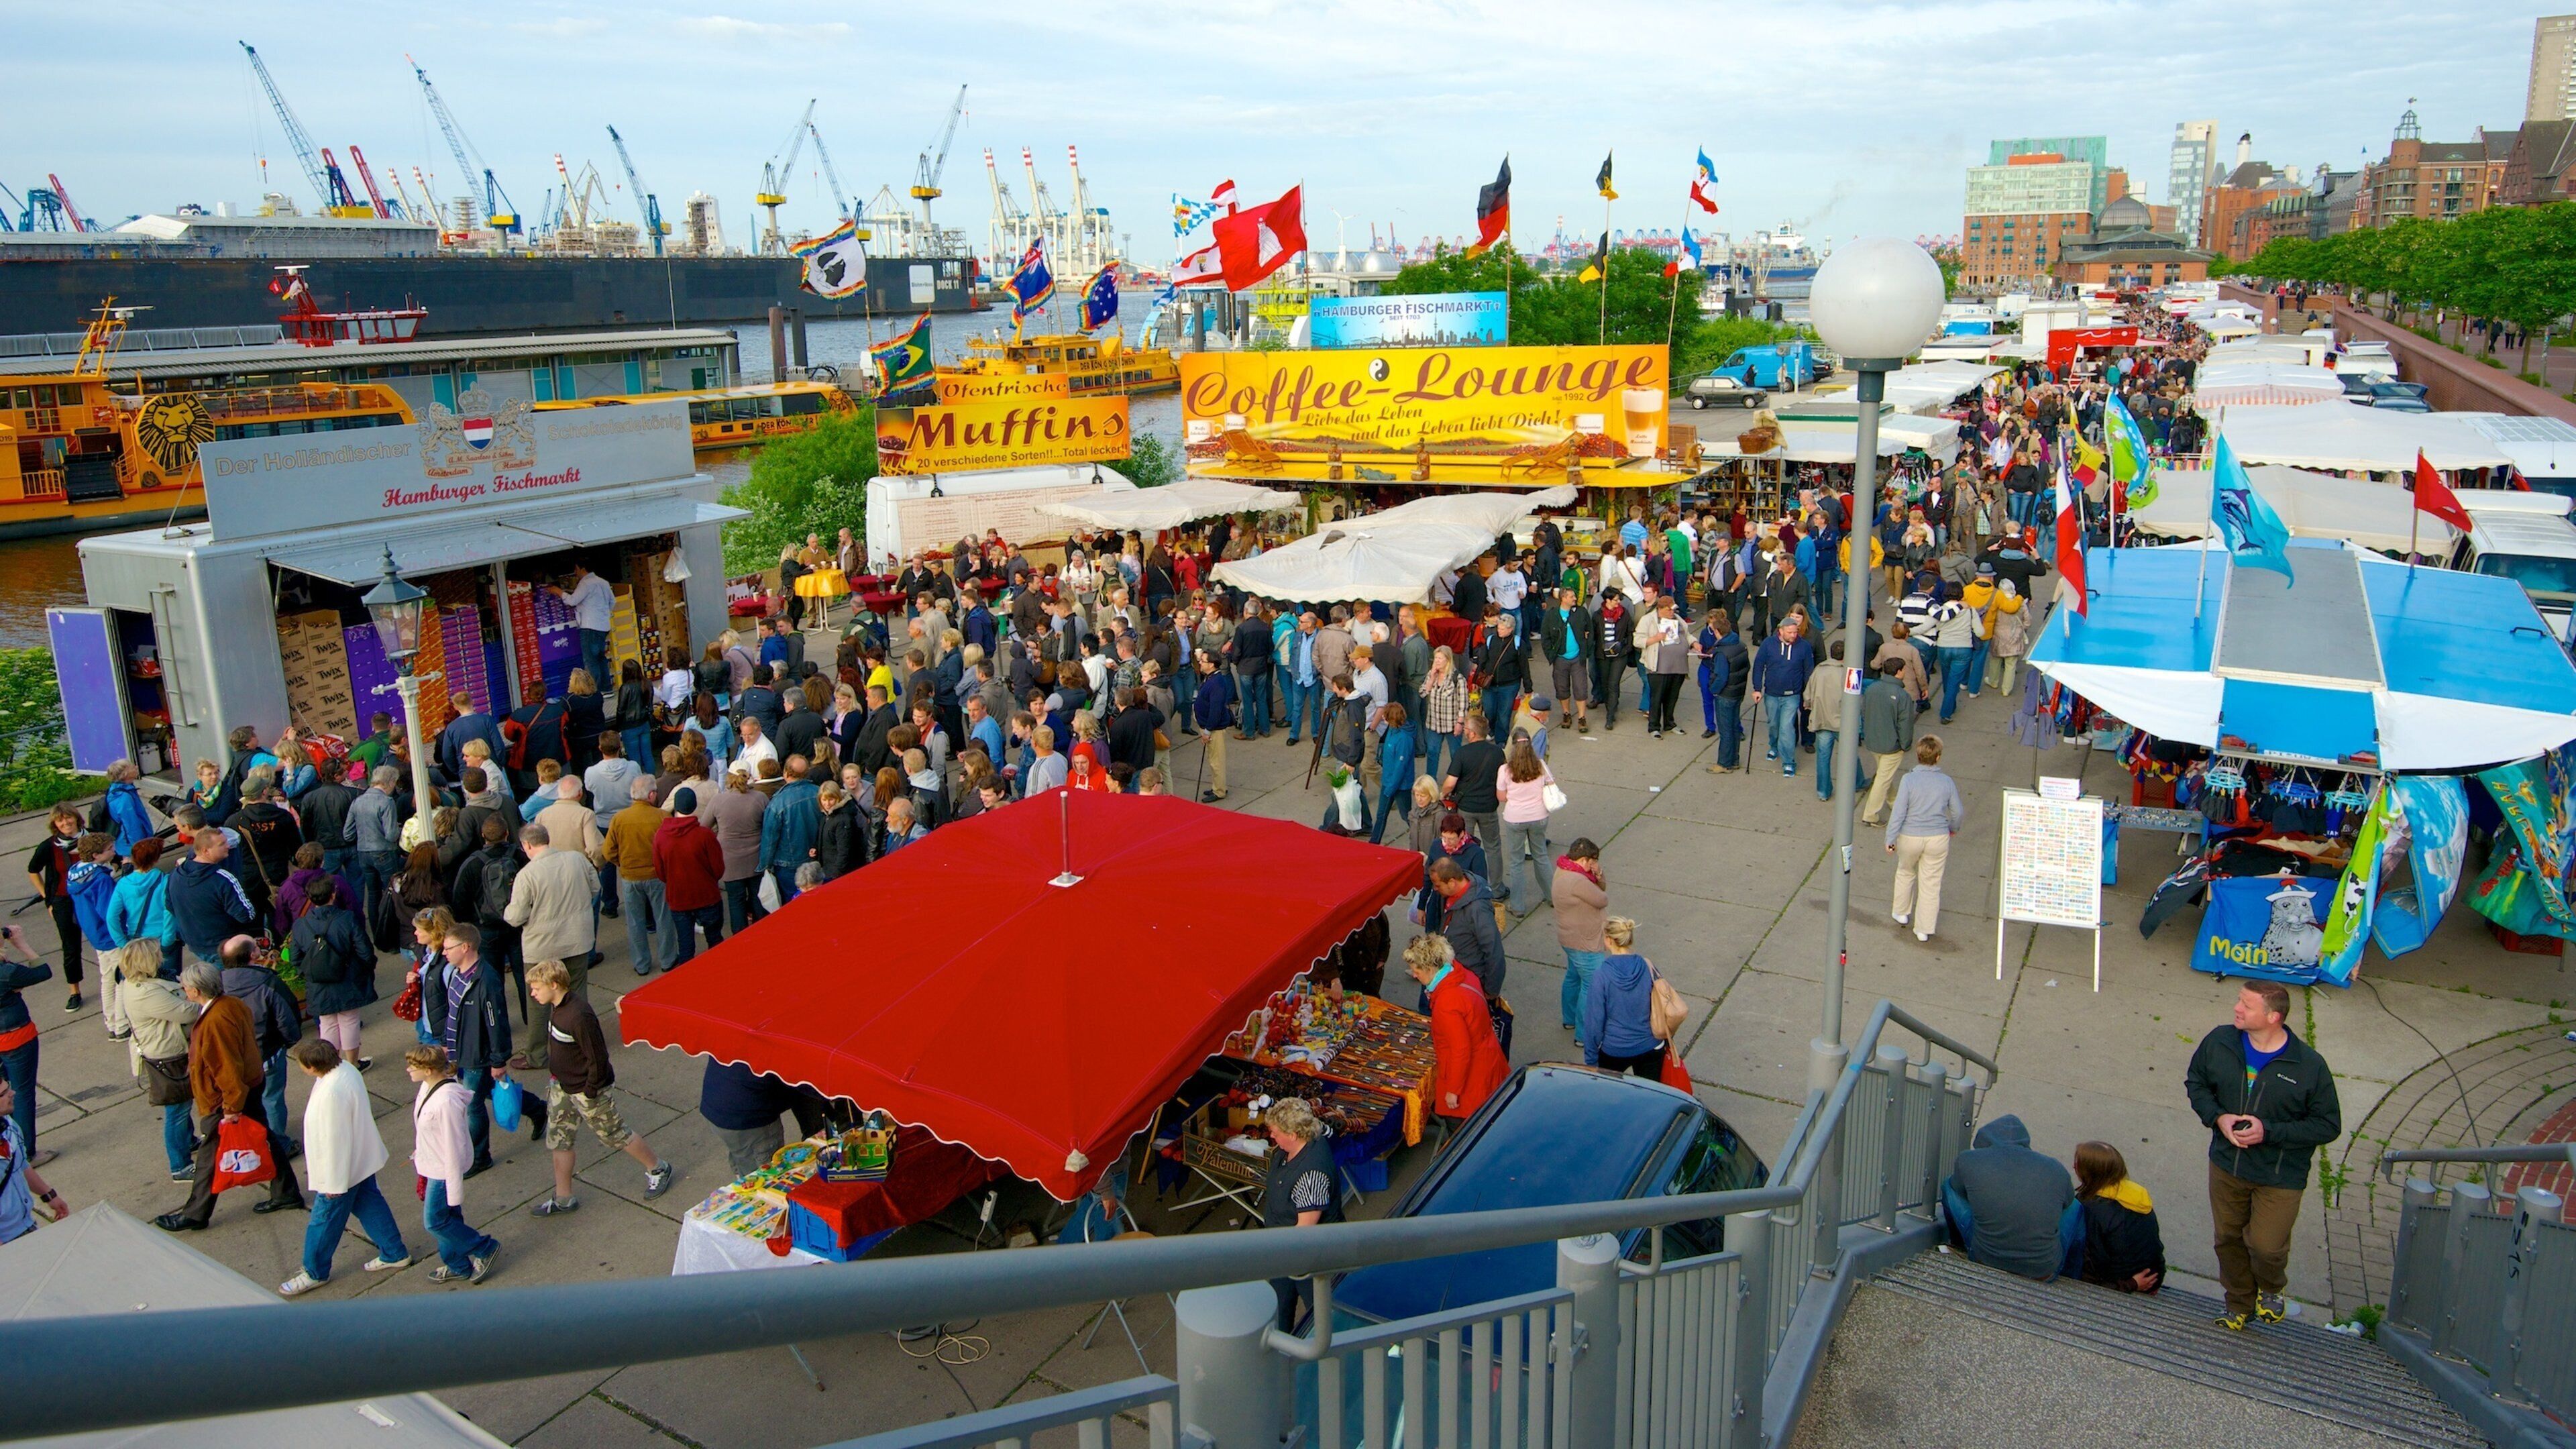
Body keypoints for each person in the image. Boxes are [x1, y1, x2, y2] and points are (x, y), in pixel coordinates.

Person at [2186, 981, 2341, 1331]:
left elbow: (2327, 1125)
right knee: (2228, 1239)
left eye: (2247, 1005)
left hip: (2280, 1176)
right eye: (2239, 1001)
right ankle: (2239, 1304)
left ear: (2273, 1017)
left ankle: (2271, 1287)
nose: (2237, 1008)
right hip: (2227, 1166)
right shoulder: (2220, 1041)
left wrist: (2267, 1132)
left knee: (2266, 1247)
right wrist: (2218, 1117)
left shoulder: (2308, 1066)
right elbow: (2197, 1083)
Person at [157, 961, 305, 1231]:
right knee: (266, 1139)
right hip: (248, 1086)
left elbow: (226, 1067)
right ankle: (286, 1193)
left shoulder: (214, 1021)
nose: (184, 990)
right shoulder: (232, 1004)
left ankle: (196, 1213)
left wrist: (231, 1107)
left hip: (227, 1098)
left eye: (186, 987)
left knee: (210, 1156)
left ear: (195, 991)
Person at [525, 960, 675, 1217]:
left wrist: (591, 1090)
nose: (533, 993)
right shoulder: (557, 1007)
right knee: (559, 1139)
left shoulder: (579, 1015)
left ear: (554, 985)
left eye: (537, 988)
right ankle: (564, 1198)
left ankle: (658, 1168)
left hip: (586, 1089)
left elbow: (598, 1057)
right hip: (562, 1086)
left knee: (614, 1133)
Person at [277, 1039, 411, 1296]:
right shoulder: (346, 1070)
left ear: (313, 1067)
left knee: (324, 1220)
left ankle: (314, 1272)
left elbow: (335, 1143)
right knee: (370, 1204)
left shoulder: (331, 1094)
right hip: (360, 1160)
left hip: (342, 1171)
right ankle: (394, 1252)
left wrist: (333, 1184)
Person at [419, 923, 529, 1175]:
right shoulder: (456, 973)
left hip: (477, 1055)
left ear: (466, 947)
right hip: (460, 1051)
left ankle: (480, 1157)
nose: (444, 953)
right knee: (487, 1090)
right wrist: (446, 1042)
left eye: (449, 948)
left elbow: (496, 1022)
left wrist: (499, 1060)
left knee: (472, 1104)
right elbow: (452, 1012)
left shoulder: (486, 980)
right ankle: (536, 1109)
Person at [407, 1043, 498, 1284]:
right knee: (450, 1220)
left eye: (413, 1066)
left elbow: (454, 1146)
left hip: (442, 1171)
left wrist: (454, 1188)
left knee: (435, 1222)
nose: (408, 1070)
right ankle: (457, 1265)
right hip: (433, 1164)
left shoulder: (445, 1101)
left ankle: (484, 1248)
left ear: (429, 1070)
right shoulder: (429, 1087)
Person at [1257, 1095, 1345, 1333]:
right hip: (1284, 1251)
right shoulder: (1302, 1142)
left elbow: (1304, 1231)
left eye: (1276, 1133)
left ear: (1293, 1135)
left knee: (1320, 1315)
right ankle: (1280, 1347)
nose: (1271, 1136)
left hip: (1311, 1259)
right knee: (1279, 1307)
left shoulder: (1312, 1174)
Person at [1405, 934, 1507, 1130]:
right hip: (1488, 1059)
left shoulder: (1447, 1004)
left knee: (1463, 1132)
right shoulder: (1462, 973)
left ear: (1430, 969)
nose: (1414, 976)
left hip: (1471, 1079)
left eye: (1417, 971)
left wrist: (1453, 1091)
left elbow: (1461, 1050)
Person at [115, 942, 197, 1179]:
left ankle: (188, 1141)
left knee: (182, 1104)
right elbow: (186, 1012)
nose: (161, 956)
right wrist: (205, 1001)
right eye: (156, 954)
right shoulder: (146, 993)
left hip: (168, 1051)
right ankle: (180, 1166)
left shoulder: (143, 983)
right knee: (178, 1110)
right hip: (168, 1056)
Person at [290, 875, 377, 1071]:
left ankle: (330, 1066)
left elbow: (295, 958)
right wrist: (364, 969)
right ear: (333, 894)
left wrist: (311, 974)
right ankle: (352, 1064)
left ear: (310, 898)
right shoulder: (346, 919)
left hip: (319, 983)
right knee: (350, 1020)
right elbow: (365, 951)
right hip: (347, 978)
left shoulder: (301, 925)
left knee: (327, 1022)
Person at [504, 824, 600, 999]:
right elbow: (595, 888)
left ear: (527, 845)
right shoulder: (577, 859)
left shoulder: (526, 875)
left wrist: (506, 911)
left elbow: (516, 917)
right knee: (577, 995)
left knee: (539, 1002)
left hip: (542, 947)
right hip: (577, 939)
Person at [1885, 735, 1966, 943]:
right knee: (1931, 883)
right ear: (1938, 757)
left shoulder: (1908, 780)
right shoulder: (1947, 782)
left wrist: (1890, 838)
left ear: (1918, 755)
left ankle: (1901, 912)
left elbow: (1899, 812)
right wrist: (1952, 828)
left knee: (1905, 872)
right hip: (1937, 837)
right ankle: (1924, 929)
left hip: (1910, 835)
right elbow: (1957, 812)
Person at [1580, 916, 1673, 1080]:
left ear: (1609, 940)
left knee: (1611, 1093)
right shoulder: (1647, 966)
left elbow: (1594, 1021)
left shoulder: (1601, 975)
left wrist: (1591, 1059)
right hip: (1650, 1045)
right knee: (1648, 1093)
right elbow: (1664, 1002)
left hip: (1615, 1049)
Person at [700, 1058, 824, 1178]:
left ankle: (744, 1177)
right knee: (766, 1177)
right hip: (750, 1122)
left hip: (715, 1109)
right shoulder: (779, 1052)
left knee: (742, 1157)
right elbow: (803, 1081)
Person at [2070, 1141, 2165, 1293]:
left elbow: (2091, 1269)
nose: (2074, 1167)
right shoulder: (2138, 1196)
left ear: (2091, 1172)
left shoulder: (2088, 1207)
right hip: (2152, 1279)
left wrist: (2131, 1284)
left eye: (2078, 1164)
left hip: (2121, 1285)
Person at [604, 777, 673, 977]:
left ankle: (641, 963)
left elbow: (608, 852)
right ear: (651, 795)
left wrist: (622, 863)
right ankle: (668, 959)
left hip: (630, 876)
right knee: (663, 918)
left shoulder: (619, 819)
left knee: (635, 922)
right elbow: (670, 847)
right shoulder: (662, 816)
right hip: (657, 876)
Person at [653, 788, 729, 964]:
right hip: (707, 897)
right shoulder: (705, 835)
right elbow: (718, 869)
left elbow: (660, 871)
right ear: (694, 806)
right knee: (715, 941)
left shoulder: (661, 836)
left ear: (675, 806)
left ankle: (688, 977)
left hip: (679, 899)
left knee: (685, 946)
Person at [0, 924, 53, 1167]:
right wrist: (21, 945)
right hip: (16, 1039)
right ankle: (26, 1152)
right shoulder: (6, 972)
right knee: (21, 1094)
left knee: (3, 1093)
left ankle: (7, 1146)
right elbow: (42, 971)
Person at [26, 806, 85, 1013]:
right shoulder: (49, 846)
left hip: (91, 898)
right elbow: (33, 870)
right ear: (55, 825)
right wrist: (47, 897)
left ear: (77, 819)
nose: (65, 823)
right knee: (70, 947)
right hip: (63, 900)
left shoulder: (91, 838)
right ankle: (74, 992)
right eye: (60, 821)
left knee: (107, 940)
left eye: (68, 818)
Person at [1552, 839, 1609, 1047]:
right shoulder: (1577, 880)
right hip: (1585, 943)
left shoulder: (1564, 869)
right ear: (1584, 860)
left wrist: (1598, 874)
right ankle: (1584, 1035)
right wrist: (1598, 875)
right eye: (1593, 861)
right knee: (1591, 987)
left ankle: (1569, 1019)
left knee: (1574, 977)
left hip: (1570, 938)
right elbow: (1602, 899)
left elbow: (1600, 888)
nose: (1594, 865)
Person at [1494, 735, 1556, 916]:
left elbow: (1501, 797)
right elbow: (1551, 785)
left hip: (1515, 818)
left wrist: (1516, 797)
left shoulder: (1505, 770)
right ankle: (1553, 897)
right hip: (1539, 816)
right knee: (1541, 856)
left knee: (1516, 862)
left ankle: (1518, 906)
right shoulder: (1540, 765)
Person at [0, 1074, 65, 1245]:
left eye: (8, 1087)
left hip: (25, 1226)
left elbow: (21, 1165)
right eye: (4, 1093)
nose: (12, 1093)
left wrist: (49, 1195)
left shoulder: (9, 1125)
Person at [1441, 712, 1508, 875]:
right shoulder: (1498, 753)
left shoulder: (1462, 753)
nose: (1464, 731)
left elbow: (1450, 783)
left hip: (1466, 808)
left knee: (1464, 848)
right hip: (1489, 807)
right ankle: (1496, 886)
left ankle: (1466, 882)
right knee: (1493, 847)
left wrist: (1443, 794)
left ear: (1472, 733)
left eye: (1465, 729)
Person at [1750, 619, 1815, 777]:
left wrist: (1808, 695)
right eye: (1790, 632)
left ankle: (1788, 762)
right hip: (1772, 694)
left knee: (1787, 728)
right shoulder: (1768, 644)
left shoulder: (1804, 646)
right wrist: (1757, 688)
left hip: (1792, 695)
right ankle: (1774, 746)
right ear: (1781, 631)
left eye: (1795, 632)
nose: (1794, 635)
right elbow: (1758, 666)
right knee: (1773, 724)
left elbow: (1809, 671)